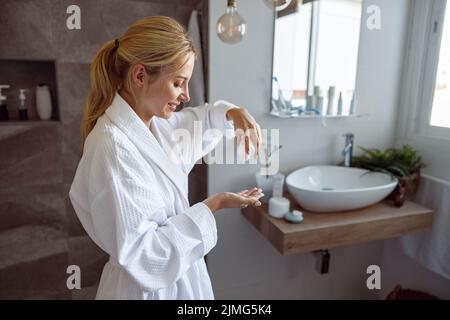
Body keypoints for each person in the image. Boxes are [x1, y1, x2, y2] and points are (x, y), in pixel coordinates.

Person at [69, 16, 263, 300]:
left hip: (182, 282)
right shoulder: (112, 146)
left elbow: (204, 118)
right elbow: (147, 256)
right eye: (178, 83)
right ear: (139, 76)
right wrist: (214, 205)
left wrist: (234, 111)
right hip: (144, 290)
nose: (185, 95)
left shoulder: (158, 126)